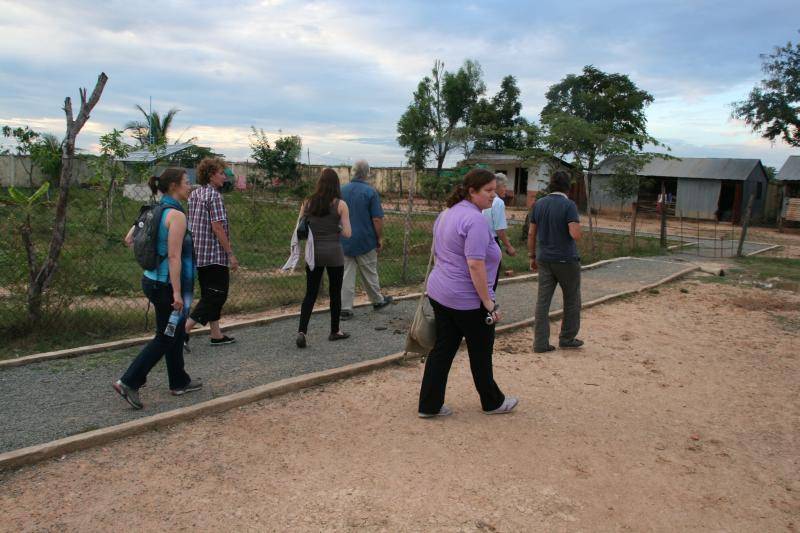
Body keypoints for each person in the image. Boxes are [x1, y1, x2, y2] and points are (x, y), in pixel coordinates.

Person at [418, 168, 519, 418]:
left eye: (495, 190)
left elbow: (441, 252)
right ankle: (492, 402)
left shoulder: (447, 213)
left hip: (441, 293)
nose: (493, 195)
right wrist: (488, 302)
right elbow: (475, 264)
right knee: (481, 351)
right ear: (472, 191)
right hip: (467, 299)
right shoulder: (475, 220)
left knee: (443, 349)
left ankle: (429, 405)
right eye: (488, 190)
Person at [113, 168, 202, 409]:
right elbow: (174, 256)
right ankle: (129, 381)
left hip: (151, 280)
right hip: (167, 286)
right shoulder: (176, 215)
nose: (190, 186)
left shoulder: (153, 209)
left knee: (174, 332)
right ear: (173, 186)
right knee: (165, 336)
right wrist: (176, 294)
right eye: (186, 182)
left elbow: (129, 239)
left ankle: (179, 381)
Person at [184, 157, 238, 349]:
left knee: (210, 293)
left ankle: (216, 334)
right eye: (221, 173)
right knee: (217, 295)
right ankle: (184, 330)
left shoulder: (194, 194)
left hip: (199, 253)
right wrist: (230, 253)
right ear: (211, 175)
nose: (224, 177)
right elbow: (217, 227)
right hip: (214, 255)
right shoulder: (214, 196)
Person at [296, 168, 353, 348]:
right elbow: (348, 233)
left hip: (313, 253)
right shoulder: (341, 205)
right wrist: (336, 227)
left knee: (310, 293)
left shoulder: (307, 202)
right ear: (336, 184)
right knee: (335, 293)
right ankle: (335, 331)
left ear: (319, 182)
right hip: (334, 253)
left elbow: (299, 228)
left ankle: (302, 331)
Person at [528, 170, 583, 353]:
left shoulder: (539, 204)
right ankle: (567, 338)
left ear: (550, 185)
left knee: (542, 302)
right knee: (572, 299)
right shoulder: (569, 205)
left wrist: (532, 256)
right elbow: (575, 234)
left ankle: (540, 343)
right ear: (568, 187)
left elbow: (531, 233)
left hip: (544, 258)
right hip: (566, 260)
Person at [339, 160, 393, 320]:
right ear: (367, 173)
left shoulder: (341, 191)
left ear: (352, 172)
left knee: (345, 275)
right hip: (365, 240)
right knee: (369, 272)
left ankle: (345, 308)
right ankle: (377, 301)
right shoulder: (370, 192)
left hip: (344, 240)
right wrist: (379, 238)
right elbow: (377, 218)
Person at [482, 172, 517, 291]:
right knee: (491, 279)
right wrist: (509, 246)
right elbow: (499, 230)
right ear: (496, 186)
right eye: (504, 186)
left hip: (479, 241)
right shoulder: (498, 202)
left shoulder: (482, 199)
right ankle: (488, 301)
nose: (506, 189)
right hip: (492, 242)